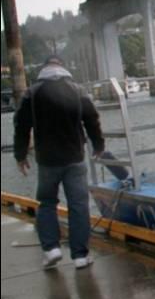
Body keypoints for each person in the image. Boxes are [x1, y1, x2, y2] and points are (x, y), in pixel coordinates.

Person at [14, 56, 105, 269]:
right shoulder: (77, 90)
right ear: (62, 68)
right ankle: (80, 256)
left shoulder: (32, 93)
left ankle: (51, 249)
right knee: (78, 205)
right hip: (74, 157)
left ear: (43, 69)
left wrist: (20, 156)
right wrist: (98, 145)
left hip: (47, 160)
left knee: (46, 203)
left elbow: (21, 126)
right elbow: (92, 118)